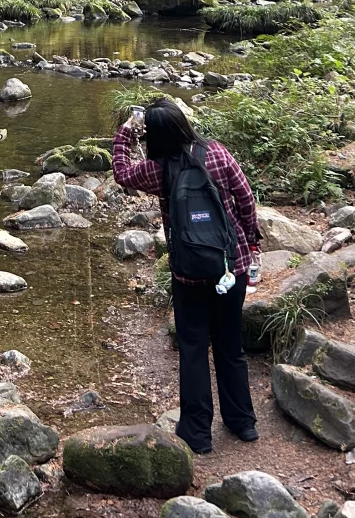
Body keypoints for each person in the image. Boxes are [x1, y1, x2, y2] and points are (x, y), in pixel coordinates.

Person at [112, 97, 261, 454]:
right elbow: (246, 200)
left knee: (194, 349)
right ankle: (243, 422)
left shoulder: (157, 168)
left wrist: (125, 134)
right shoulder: (218, 154)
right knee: (230, 346)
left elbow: (121, 172)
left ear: (155, 136)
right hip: (231, 265)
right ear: (183, 123)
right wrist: (252, 243)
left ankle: (197, 433)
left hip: (189, 273)